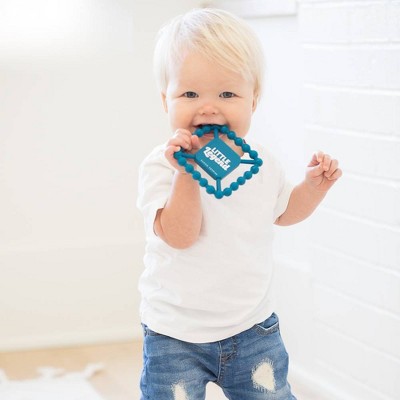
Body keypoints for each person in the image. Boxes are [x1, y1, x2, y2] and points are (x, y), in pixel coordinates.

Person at [137, 8, 342, 400]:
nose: (208, 107)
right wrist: (186, 173)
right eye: (190, 94)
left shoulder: (260, 164)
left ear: (253, 101)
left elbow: (284, 212)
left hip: (252, 329)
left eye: (227, 94)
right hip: (175, 335)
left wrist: (314, 188)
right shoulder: (161, 167)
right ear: (166, 100)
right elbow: (179, 236)